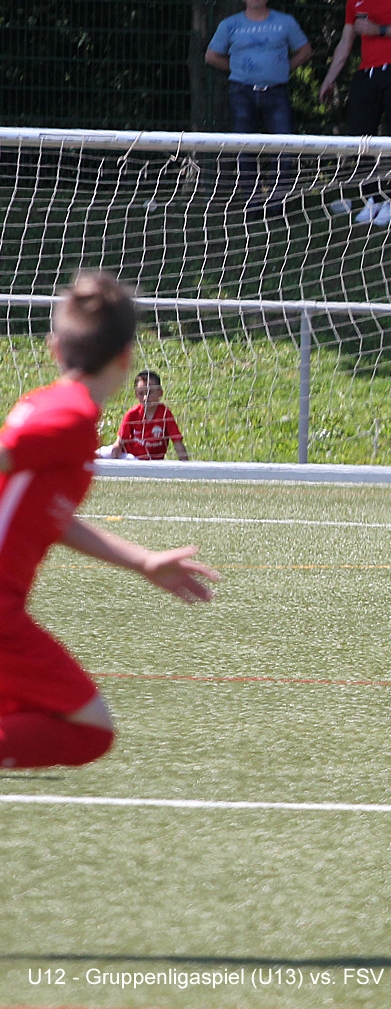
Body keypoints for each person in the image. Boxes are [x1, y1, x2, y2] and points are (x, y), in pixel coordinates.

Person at [0, 271, 219, 770]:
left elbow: (50, 517)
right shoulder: (70, 418)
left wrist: (141, 560)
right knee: (89, 730)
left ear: (55, 349)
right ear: (126, 359)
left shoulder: (46, 404)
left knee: (30, 715)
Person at [318, 0, 391, 226]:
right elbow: (346, 41)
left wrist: (380, 30)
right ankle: (372, 198)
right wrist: (329, 79)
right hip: (367, 72)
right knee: (359, 136)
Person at [205, 0, 312, 217]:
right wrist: (238, 70)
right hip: (241, 93)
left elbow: (305, 50)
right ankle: (252, 204)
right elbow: (211, 56)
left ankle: (277, 204)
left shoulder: (285, 22)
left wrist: (282, 69)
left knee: (284, 146)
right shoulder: (230, 25)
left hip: (277, 92)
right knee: (245, 148)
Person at [102, 370, 190, 461]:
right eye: (141, 393)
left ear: (160, 392)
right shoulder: (132, 414)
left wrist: (185, 464)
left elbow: (177, 442)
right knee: (97, 455)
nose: (145, 397)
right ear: (136, 395)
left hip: (146, 461)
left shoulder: (165, 414)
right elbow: (119, 442)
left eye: (150, 392)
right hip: (127, 455)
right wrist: (114, 462)